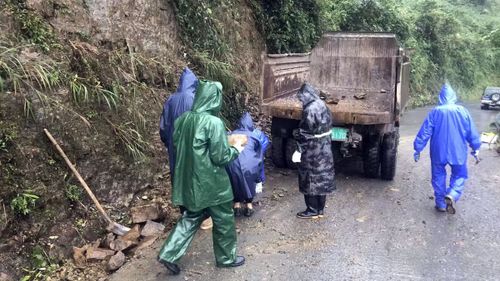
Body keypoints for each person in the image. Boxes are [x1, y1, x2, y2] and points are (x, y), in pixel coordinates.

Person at [157, 80, 246, 275]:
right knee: (223, 219)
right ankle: (226, 258)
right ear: (214, 99)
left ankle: (169, 253)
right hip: (213, 183)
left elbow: (175, 145)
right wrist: (236, 149)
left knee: (191, 216)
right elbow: (220, 156)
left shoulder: (183, 119)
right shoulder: (213, 122)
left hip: (190, 180)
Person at [413, 83, 481, 214]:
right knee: (460, 174)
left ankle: (441, 204)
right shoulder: (462, 111)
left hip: (438, 151)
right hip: (458, 151)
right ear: (453, 96)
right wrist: (475, 147)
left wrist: (418, 148)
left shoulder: (435, 112)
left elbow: (425, 132)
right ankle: (453, 193)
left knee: (438, 176)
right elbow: (471, 131)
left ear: (441, 97)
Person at [159, 68, 213, 229]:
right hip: (195, 149)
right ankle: (204, 217)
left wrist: (169, 143)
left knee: (179, 179)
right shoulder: (198, 100)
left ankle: (186, 215)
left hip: (175, 149)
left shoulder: (170, 100)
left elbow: (163, 128)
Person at [293, 83, 335, 219]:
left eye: (301, 98)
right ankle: (320, 210)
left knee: (309, 178)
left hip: (312, 150)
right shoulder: (322, 104)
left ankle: (311, 210)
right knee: (323, 177)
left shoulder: (309, 109)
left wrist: (299, 149)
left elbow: (305, 133)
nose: (300, 102)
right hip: (325, 147)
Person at [226, 112, 264, 217]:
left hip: (232, 163)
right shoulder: (255, 136)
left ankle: (237, 205)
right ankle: (249, 206)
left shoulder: (230, 134)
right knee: (249, 182)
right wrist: (260, 178)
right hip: (249, 165)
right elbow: (259, 156)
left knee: (234, 182)